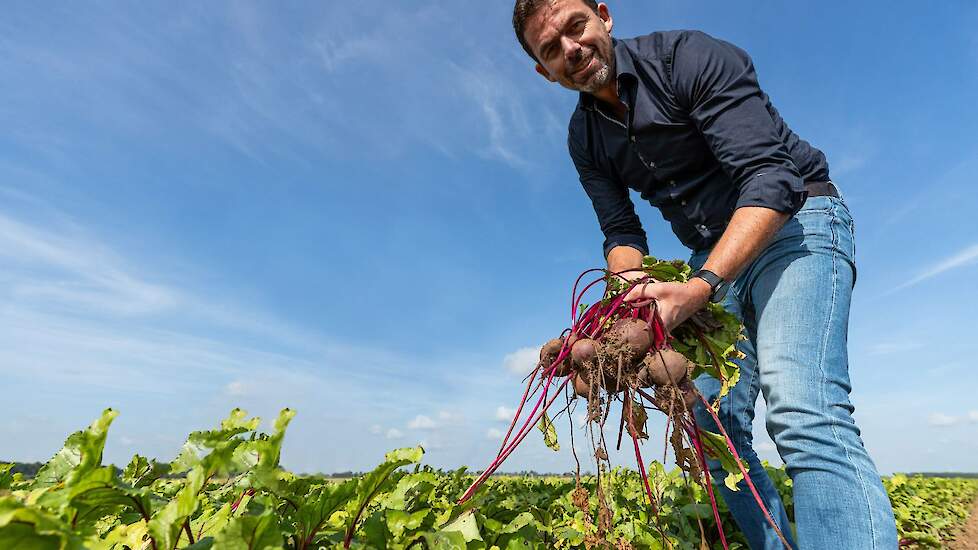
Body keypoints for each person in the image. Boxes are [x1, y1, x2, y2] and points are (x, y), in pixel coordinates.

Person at [512, 1, 898, 548]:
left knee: (800, 409)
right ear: (541, 69)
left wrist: (699, 288)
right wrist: (622, 315)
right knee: (710, 427)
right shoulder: (585, 138)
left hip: (795, 221)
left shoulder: (684, 57)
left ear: (603, 16)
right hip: (710, 254)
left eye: (576, 27)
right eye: (551, 49)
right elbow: (622, 234)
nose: (570, 49)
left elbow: (770, 178)